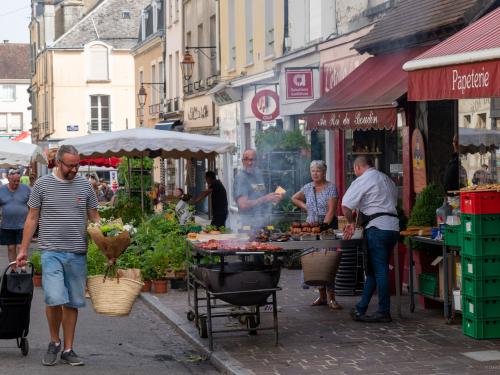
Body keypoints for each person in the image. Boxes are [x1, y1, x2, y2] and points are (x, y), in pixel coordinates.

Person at [16, 145, 100, 366]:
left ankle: (68, 348)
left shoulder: (85, 186)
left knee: (72, 302)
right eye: (70, 166)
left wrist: (109, 246)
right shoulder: (42, 185)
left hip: (77, 252)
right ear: (58, 163)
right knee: (54, 297)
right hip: (51, 251)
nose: (74, 170)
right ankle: (54, 341)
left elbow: (95, 219)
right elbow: (32, 218)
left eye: (77, 165)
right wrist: (23, 249)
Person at [342, 156, 399, 323]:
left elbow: (345, 205)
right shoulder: (387, 179)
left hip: (377, 228)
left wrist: (351, 223)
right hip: (393, 228)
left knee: (380, 271)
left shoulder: (363, 179)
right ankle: (361, 308)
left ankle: (384, 311)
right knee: (374, 271)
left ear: (358, 167)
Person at [291, 160, 341, 310]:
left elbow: (331, 211)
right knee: (314, 262)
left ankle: (332, 297)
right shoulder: (307, 187)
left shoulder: (331, 187)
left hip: (326, 229)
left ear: (324, 172)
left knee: (327, 261)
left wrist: (322, 227)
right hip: (310, 229)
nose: (315, 173)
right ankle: (322, 296)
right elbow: (294, 198)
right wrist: (306, 207)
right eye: (313, 170)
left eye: (318, 170)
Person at [233, 149, 282, 228]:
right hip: (249, 225)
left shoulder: (258, 175)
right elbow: (243, 205)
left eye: (252, 159)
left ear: (257, 161)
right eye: (246, 159)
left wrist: (274, 198)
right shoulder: (241, 178)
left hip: (264, 222)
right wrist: (265, 198)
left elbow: (261, 195)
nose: (249, 163)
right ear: (242, 161)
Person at [0, 169, 31, 266]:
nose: (17, 183)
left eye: (18, 181)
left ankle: (23, 269)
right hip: (7, 225)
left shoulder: (26, 189)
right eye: (14, 181)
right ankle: (13, 270)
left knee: (21, 247)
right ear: (9, 179)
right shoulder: (2, 190)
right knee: (11, 248)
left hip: (23, 224)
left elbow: (33, 205)